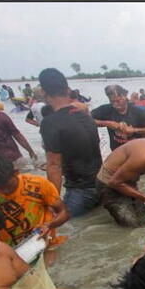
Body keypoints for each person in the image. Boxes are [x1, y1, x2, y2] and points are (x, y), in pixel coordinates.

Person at [38, 67, 103, 218]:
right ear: (67, 89)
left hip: (80, 191)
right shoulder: (85, 116)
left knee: (57, 226)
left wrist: (52, 204)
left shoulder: (50, 123)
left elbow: (54, 166)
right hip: (102, 185)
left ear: (43, 91)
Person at [0, 153, 69, 246]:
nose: (4, 191)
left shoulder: (38, 183)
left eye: (8, 185)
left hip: (44, 241)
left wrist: (49, 225)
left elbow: (64, 212)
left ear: (16, 172)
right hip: (10, 249)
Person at [91, 84, 145, 151]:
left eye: (118, 101)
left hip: (135, 152)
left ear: (125, 97)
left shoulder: (137, 111)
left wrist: (134, 130)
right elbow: (85, 120)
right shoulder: (106, 109)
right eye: (112, 101)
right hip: (117, 153)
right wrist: (107, 123)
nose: (115, 104)